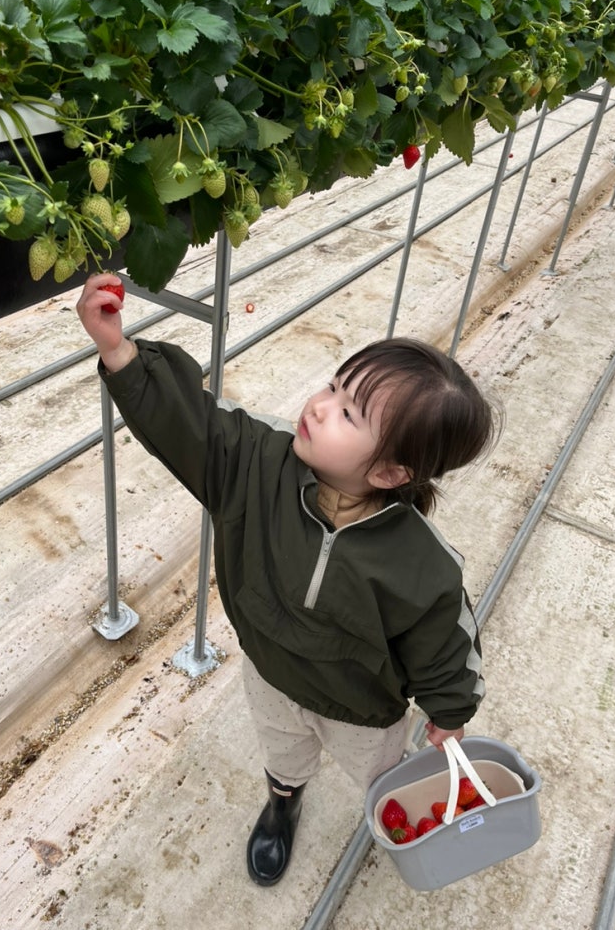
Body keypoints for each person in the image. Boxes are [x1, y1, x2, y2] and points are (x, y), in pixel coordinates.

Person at [76, 273, 498, 887]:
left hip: (363, 711)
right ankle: (283, 800)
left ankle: (392, 812)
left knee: (380, 776)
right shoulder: (256, 462)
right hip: (273, 672)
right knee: (283, 752)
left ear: (388, 472)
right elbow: (192, 422)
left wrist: (450, 712)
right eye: (334, 385)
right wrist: (119, 352)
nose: (320, 405)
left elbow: (444, 646)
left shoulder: (422, 564)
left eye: (348, 413)